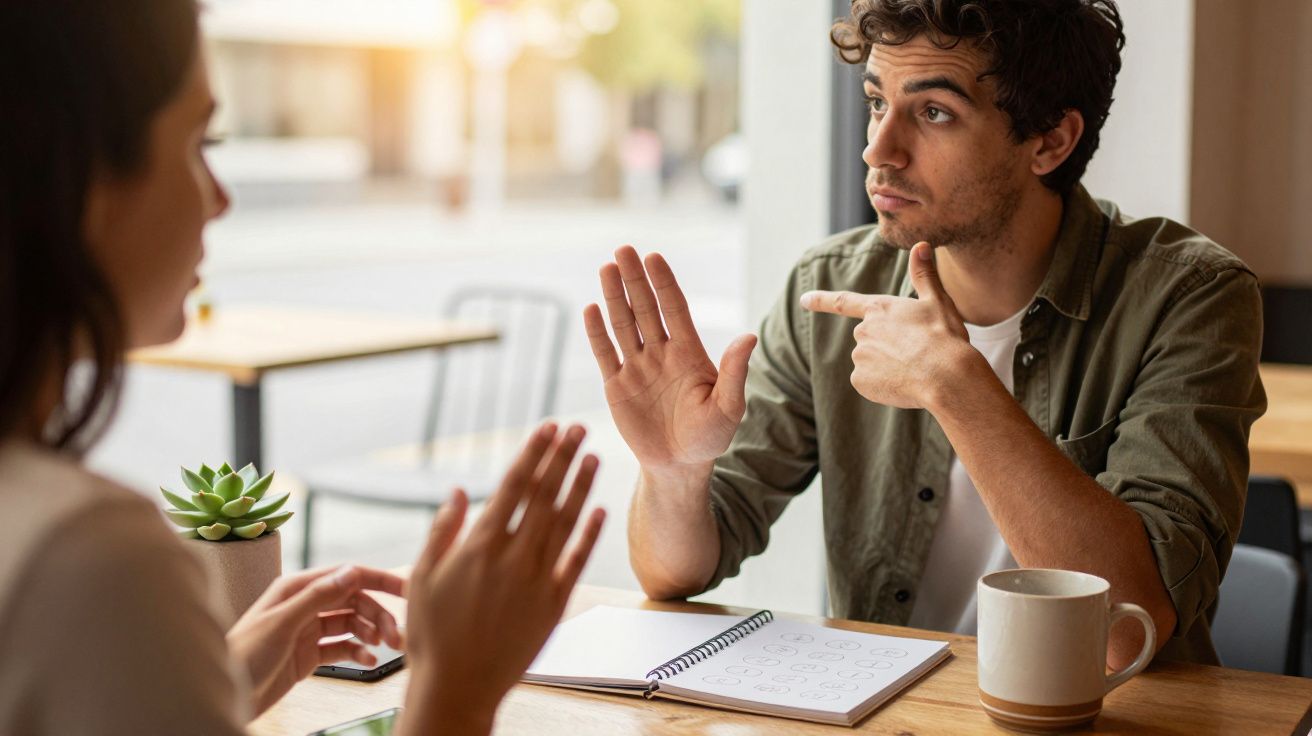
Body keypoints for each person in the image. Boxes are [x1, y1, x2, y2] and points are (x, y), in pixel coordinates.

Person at [584, 0, 1264, 668]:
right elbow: (674, 574)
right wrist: (675, 475)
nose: (878, 148)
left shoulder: (1190, 296)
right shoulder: (829, 287)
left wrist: (956, 384)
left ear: (1050, 140)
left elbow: (1124, 632)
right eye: (878, 101)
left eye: (934, 113)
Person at [0, 1, 604, 734]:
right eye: (199, 143)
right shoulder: (91, 560)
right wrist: (457, 688)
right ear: (84, 175)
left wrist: (212, 684)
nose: (220, 200)